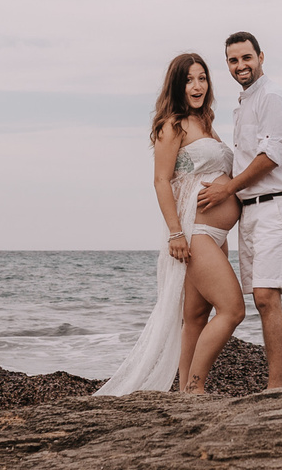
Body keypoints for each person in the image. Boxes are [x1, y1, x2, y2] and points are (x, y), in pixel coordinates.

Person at [96, 53, 245, 396]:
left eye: (203, 78)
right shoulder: (172, 125)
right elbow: (162, 181)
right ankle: (195, 386)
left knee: (195, 317)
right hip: (195, 233)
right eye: (189, 80)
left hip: (216, 235)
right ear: (177, 85)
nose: (197, 86)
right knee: (233, 309)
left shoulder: (207, 124)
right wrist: (176, 232)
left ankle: (183, 393)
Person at [199, 32, 282, 388]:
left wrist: (227, 189)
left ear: (261, 57)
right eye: (233, 61)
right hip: (252, 211)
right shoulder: (244, 105)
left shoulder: (274, 98)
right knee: (261, 298)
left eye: (246, 58)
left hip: (278, 206)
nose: (240, 66)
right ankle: (275, 385)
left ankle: (276, 387)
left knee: (267, 296)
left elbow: (270, 157)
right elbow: (246, 159)